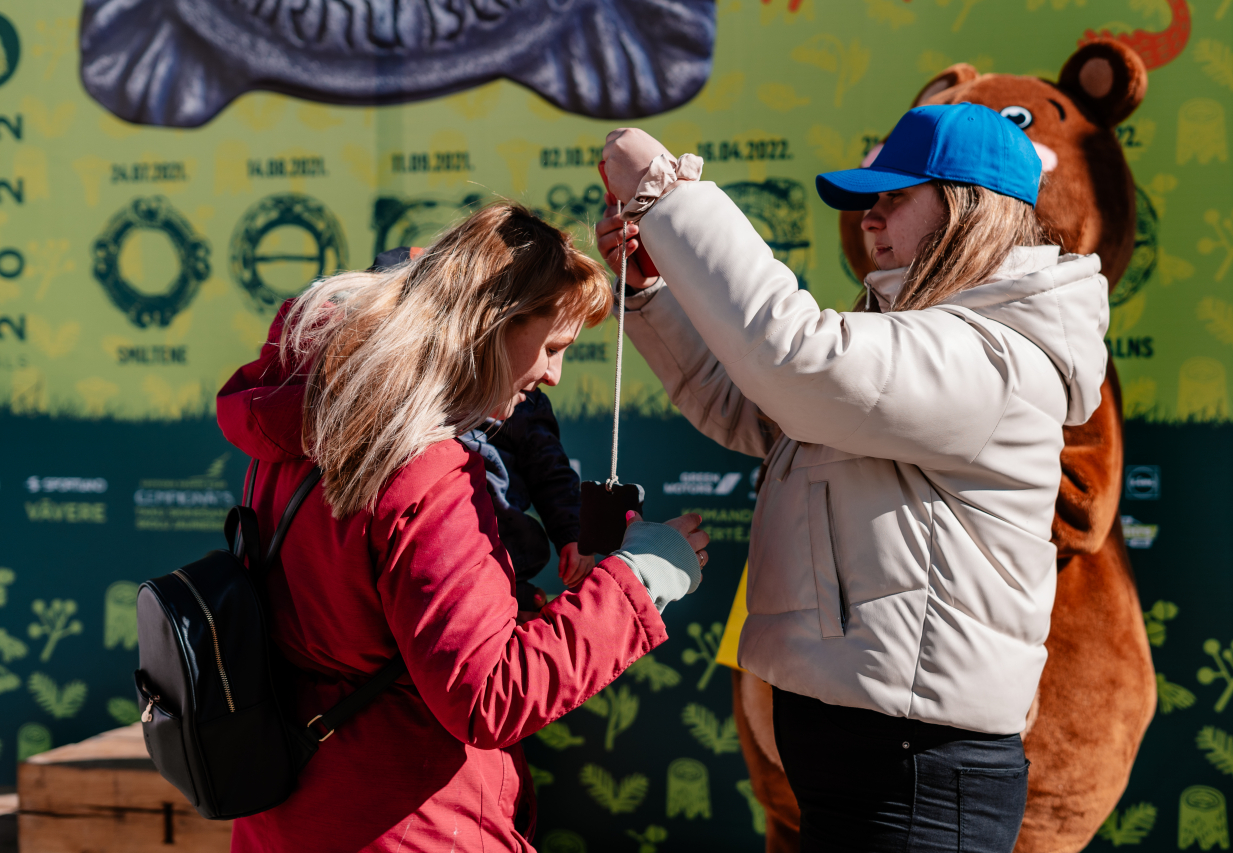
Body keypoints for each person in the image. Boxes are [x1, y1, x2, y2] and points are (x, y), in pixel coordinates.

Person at [595, 104, 1109, 852]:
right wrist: (654, 292)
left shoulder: (995, 355)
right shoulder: (931, 338)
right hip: (880, 765)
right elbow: (759, 403)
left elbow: (797, 362)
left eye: (894, 195)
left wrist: (673, 199)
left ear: (969, 209)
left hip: (919, 777)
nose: (871, 217)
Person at [217, 202, 710, 852]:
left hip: (293, 810)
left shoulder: (313, 421)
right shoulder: (424, 465)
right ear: (494, 323)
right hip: (405, 821)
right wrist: (639, 580)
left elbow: (362, 624)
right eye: (553, 346)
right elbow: (490, 694)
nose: (552, 376)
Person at [370, 247, 597, 607]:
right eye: (550, 349)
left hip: (500, 561)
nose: (553, 376)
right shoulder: (379, 406)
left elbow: (552, 474)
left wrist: (572, 533)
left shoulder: (525, 405)